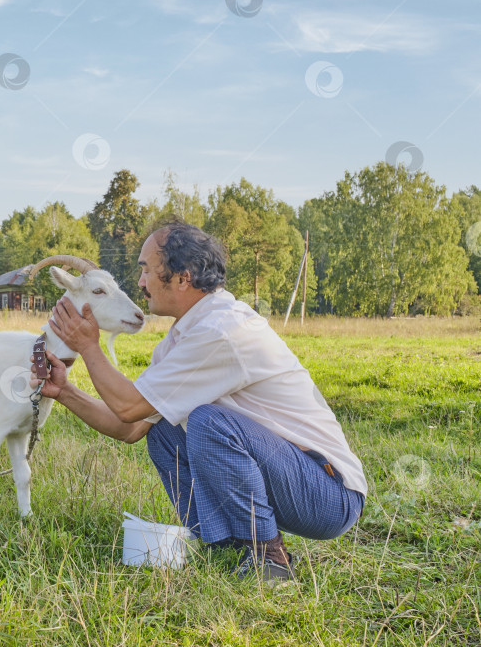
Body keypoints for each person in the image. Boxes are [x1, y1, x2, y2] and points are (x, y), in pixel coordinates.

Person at [33, 222, 367, 583]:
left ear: (181, 278)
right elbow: (130, 426)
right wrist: (64, 391)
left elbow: (128, 406)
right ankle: (226, 548)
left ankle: (269, 559)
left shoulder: (221, 330)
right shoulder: (183, 338)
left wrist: (88, 346)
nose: (140, 282)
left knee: (209, 421)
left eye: (146, 269)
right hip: (293, 480)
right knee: (162, 431)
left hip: (329, 495)